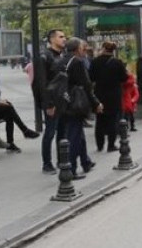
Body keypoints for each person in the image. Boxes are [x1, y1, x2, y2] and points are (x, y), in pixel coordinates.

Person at [0, 57, 39, 154]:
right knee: (8, 108)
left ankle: (11, 143)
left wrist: (0, 100)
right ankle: (24, 131)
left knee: (9, 112)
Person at [60, 37, 103, 179]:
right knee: (74, 136)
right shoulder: (77, 62)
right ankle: (70, 169)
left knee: (78, 134)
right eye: (82, 47)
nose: (85, 49)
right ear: (77, 49)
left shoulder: (61, 60)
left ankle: (86, 162)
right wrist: (96, 103)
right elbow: (86, 85)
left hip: (64, 102)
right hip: (75, 104)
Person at [88, 41, 127, 152]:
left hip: (99, 94)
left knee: (99, 120)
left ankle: (100, 145)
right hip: (114, 95)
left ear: (103, 48)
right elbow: (124, 78)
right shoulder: (117, 62)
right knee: (112, 120)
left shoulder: (95, 62)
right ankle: (111, 145)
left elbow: (91, 77)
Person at [39, 29, 66, 174]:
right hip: (52, 102)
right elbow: (42, 82)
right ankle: (46, 163)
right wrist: (48, 104)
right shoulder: (45, 56)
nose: (64, 39)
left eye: (64, 37)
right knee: (50, 132)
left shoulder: (61, 55)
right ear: (52, 39)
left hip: (62, 99)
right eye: (61, 37)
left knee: (62, 131)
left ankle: (62, 160)